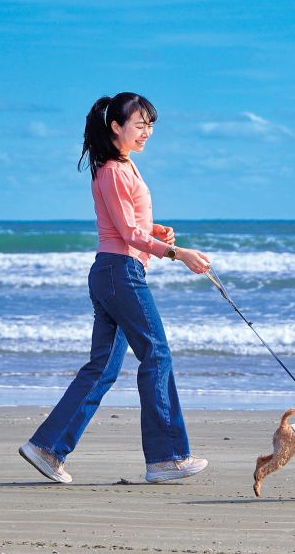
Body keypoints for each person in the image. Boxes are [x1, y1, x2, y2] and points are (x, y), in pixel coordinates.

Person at [19, 92, 213, 485]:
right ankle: (166, 457)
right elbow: (125, 233)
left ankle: (47, 448)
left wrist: (155, 232)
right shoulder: (111, 170)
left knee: (103, 368)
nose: (147, 132)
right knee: (156, 355)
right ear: (115, 127)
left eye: (150, 125)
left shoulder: (123, 167)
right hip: (119, 273)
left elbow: (128, 224)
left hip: (117, 272)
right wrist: (177, 253)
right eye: (140, 125)